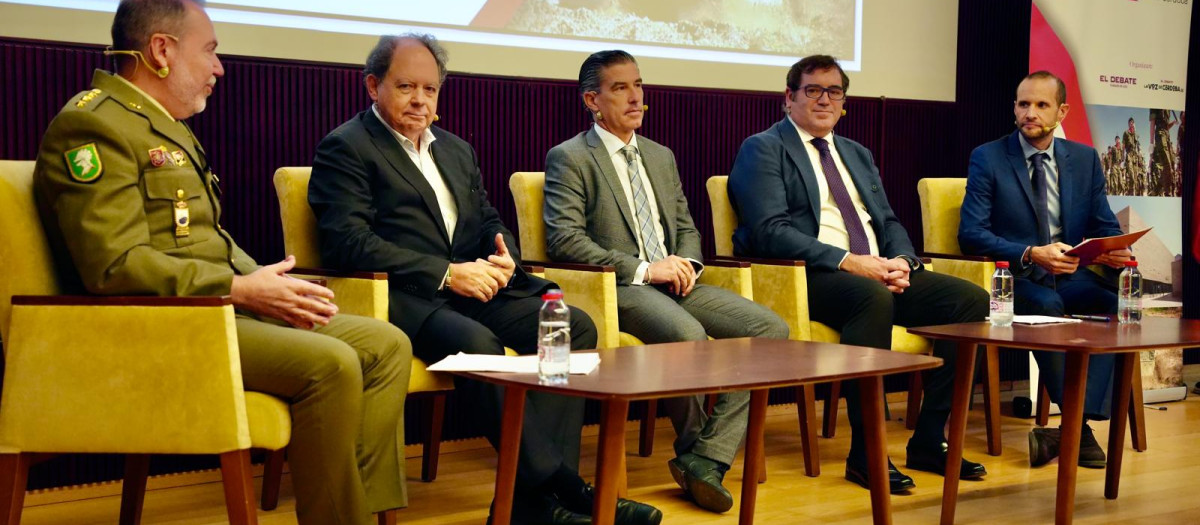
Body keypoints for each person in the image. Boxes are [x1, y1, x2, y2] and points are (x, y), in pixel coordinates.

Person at [31, 2, 411, 524]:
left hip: (213, 307)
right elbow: (114, 265)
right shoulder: (93, 126)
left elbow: (203, 238)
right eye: (209, 50)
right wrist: (239, 289)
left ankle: (358, 511)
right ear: (162, 51)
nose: (219, 67)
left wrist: (264, 282)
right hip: (162, 326)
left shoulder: (162, 124)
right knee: (332, 364)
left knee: (386, 344)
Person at [308, 35, 661, 525]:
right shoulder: (345, 147)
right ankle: (562, 487)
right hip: (406, 296)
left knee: (570, 326)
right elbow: (348, 243)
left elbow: (489, 217)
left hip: (477, 287)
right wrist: (448, 274)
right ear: (373, 85)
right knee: (478, 343)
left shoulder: (454, 148)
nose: (420, 100)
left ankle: (530, 504)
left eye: (430, 89)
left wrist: (502, 255)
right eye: (406, 86)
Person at [726, 54, 989, 493]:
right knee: (873, 298)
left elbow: (886, 222)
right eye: (813, 90)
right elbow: (770, 232)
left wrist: (903, 261)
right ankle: (866, 454)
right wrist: (850, 262)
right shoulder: (764, 147)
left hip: (873, 270)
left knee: (970, 302)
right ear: (788, 98)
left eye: (834, 92)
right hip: (809, 275)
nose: (824, 100)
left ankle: (929, 440)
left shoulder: (856, 153)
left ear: (844, 102)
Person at [543, 49, 789, 513]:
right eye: (621, 88)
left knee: (770, 332)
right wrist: (643, 269)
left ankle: (706, 456)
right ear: (592, 100)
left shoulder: (660, 155)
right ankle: (699, 453)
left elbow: (688, 227)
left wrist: (688, 264)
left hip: (677, 282)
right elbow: (564, 240)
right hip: (621, 288)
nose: (636, 97)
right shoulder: (571, 157)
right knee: (687, 335)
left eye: (638, 85)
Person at [959, 70, 1132, 470]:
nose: (1030, 113)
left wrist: (1112, 248)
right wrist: (1031, 252)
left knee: (1115, 309)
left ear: (1062, 110)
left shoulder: (1085, 160)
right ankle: (1080, 432)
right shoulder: (988, 156)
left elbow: (1103, 225)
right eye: (1023, 104)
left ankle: (1070, 427)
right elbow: (971, 234)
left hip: (1071, 275)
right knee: (1047, 307)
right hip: (1015, 280)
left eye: (1041, 105)